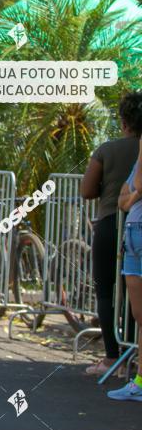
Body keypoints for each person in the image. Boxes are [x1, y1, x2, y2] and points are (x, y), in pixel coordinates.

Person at [81, 92, 141, 377]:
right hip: (132, 224)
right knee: (134, 292)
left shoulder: (107, 150)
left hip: (111, 225)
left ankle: (111, 356)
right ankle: (133, 354)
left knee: (105, 291)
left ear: (124, 121)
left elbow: (87, 191)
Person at [108, 93, 142, 402]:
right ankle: (140, 380)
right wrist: (129, 198)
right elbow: (122, 194)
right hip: (133, 232)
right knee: (138, 313)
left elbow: (134, 190)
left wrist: (131, 198)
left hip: (138, 229)